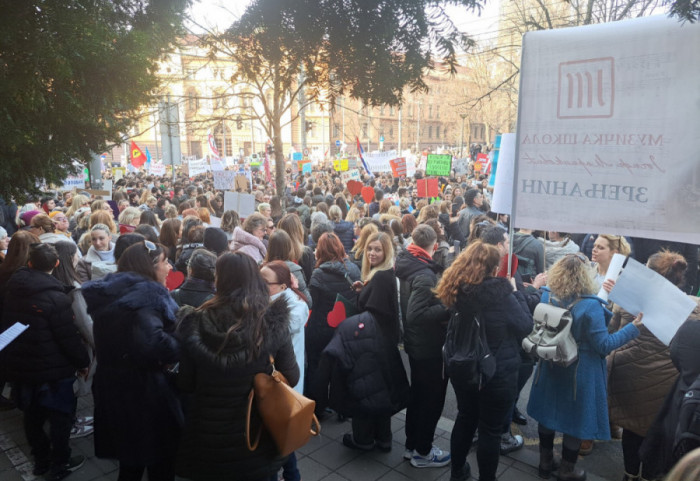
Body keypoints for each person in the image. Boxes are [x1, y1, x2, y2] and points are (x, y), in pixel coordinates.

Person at [175, 253, 299, 481]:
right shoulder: (271, 322)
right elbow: (292, 375)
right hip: (258, 435)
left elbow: (186, 383)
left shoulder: (195, 323)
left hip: (210, 437)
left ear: (218, 279)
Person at [527, 253, 642, 481]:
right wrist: (633, 327)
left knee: (547, 413)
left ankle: (545, 462)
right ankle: (567, 471)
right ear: (585, 275)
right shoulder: (590, 306)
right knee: (575, 421)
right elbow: (604, 345)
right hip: (580, 370)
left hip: (550, 362)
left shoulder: (547, 295)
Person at [82, 240, 181, 481]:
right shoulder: (146, 297)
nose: (170, 268)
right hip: (143, 390)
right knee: (159, 458)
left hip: (113, 384)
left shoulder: (111, 290)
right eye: (165, 262)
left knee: (130, 458)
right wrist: (181, 342)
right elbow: (152, 342)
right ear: (150, 266)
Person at [435, 242, 533, 481]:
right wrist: (517, 292)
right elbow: (525, 326)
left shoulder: (457, 289)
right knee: (490, 430)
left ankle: (457, 472)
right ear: (494, 267)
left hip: (465, 365)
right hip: (496, 372)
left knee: (465, 417)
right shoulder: (502, 295)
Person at [1, 243, 90, 480]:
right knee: (61, 419)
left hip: (22, 366)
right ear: (57, 264)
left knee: (32, 417)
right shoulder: (56, 297)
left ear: (29, 263)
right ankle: (60, 464)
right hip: (54, 371)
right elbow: (67, 337)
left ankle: (41, 460)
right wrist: (82, 361)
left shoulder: (13, 288)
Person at [608, 251, 686, 481]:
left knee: (632, 429)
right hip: (667, 383)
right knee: (656, 435)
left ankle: (629, 474)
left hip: (630, 376)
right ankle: (648, 476)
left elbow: (612, 331)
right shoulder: (692, 309)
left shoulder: (627, 301)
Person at [394, 225, 452, 467]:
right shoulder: (425, 274)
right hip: (428, 347)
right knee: (431, 400)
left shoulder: (407, 261)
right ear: (435, 246)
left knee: (418, 397)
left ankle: (412, 446)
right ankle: (423, 452)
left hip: (417, 344)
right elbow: (415, 314)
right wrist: (448, 306)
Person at [260, 260, 309, 481]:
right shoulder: (266, 299)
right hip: (270, 380)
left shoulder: (296, 306)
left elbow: (280, 329)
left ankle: (292, 476)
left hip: (285, 380)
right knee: (275, 433)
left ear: (282, 286)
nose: (259, 286)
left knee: (282, 432)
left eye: (265, 282)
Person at [305, 233, 361, 399]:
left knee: (317, 366)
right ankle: (341, 406)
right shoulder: (353, 269)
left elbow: (312, 303)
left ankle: (318, 406)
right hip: (345, 326)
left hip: (321, 328)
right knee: (341, 366)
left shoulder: (319, 274)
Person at [265, 230, 312, 308]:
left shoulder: (260, 267)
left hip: (264, 314)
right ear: (289, 248)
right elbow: (308, 302)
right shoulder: (294, 270)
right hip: (289, 315)